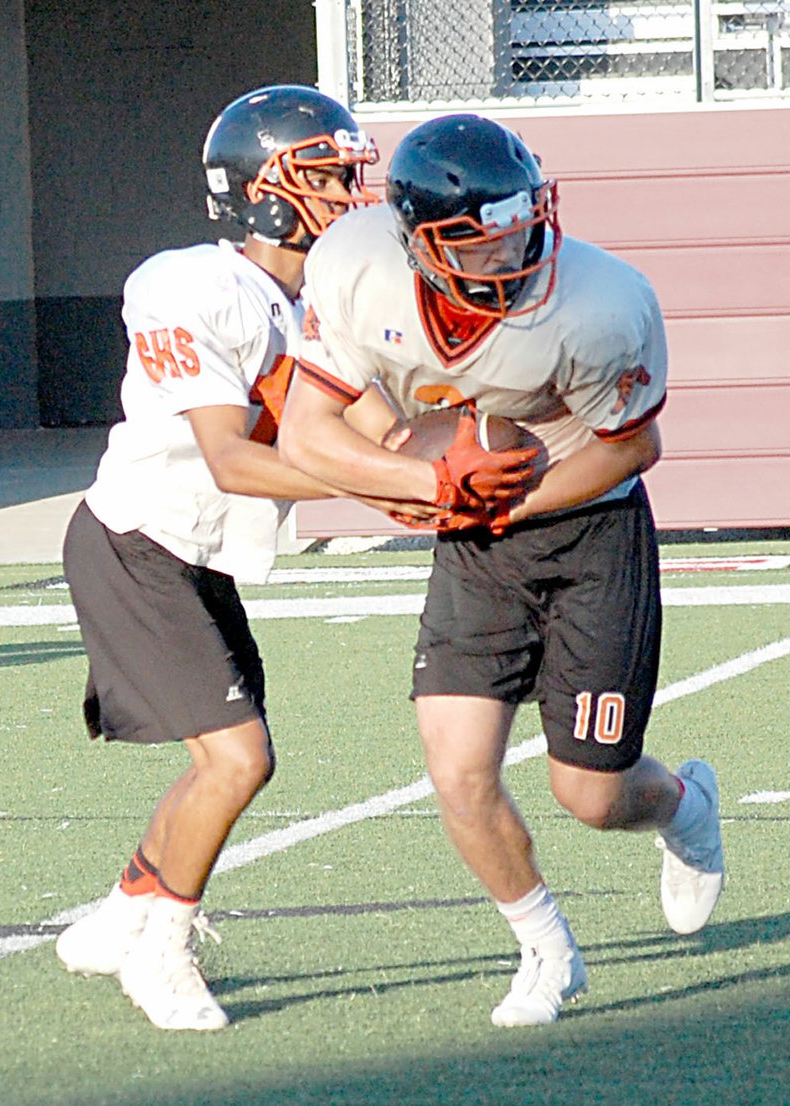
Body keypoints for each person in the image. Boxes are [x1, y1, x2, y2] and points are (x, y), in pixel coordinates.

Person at [277, 114, 725, 1026]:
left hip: (589, 531)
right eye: (483, 238)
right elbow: (309, 432)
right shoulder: (356, 268)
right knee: (458, 771)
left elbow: (632, 449)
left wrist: (499, 502)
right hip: (475, 543)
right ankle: (545, 948)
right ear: (418, 244)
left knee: (592, 795)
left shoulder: (601, 300)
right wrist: (424, 485)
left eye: (522, 225)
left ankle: (682, 805)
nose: (514, 250)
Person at [55, 84, 391, 1032]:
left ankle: (126, 909)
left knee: (237, 760)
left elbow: (388, 431)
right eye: (327, 176)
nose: (345, 196)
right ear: (263, 190)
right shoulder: (193, 283)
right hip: (137, 542)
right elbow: (232, 457)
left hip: (192, 555)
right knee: (237, 761)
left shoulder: (303, 301)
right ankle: (160, 949)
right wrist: (384, 489)